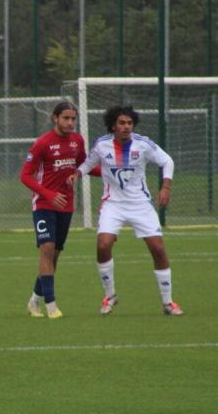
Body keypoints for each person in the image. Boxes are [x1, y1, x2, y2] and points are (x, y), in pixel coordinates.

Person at [71, 105, 183, 316]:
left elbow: (167, 161)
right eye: (122, 123)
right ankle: (110, 295)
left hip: (141, 204)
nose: (126, 127)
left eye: (129, 123)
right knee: (103, 244)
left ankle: (168, 303)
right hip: (113, 204)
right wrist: (76, 174)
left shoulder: (143, 144)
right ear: (113, 125)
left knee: (158, 249)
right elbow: (87, 164)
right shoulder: (102, 145)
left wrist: (166, 187)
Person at [20, 102, 98, 319]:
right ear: (55, 118)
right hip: (44, 204)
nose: (70, 122)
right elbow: (24, 176)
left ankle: (34, 300)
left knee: (54, 255)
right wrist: (49, 194)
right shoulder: (42, 143)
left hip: (66, 205)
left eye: (73, 118)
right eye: (66, 118)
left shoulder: (77, 141)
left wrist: (114, 171)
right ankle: (51, 305)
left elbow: (84, 166)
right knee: (47, 248)